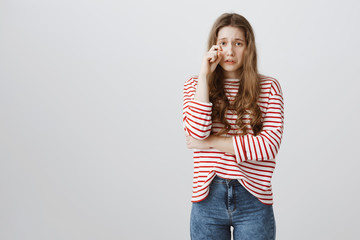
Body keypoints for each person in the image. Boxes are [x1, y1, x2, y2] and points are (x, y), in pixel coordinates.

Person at [183, 13, 284, 240]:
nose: (229, 52)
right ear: (213, 47)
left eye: (238, 43)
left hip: (254, 198)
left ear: (248, 48)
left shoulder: (269, 88)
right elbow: (196, 131)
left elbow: (267, 147)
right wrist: (203, 76)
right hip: (207, 198)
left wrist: (210, 142)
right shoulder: (194, 86)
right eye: (223, 43)